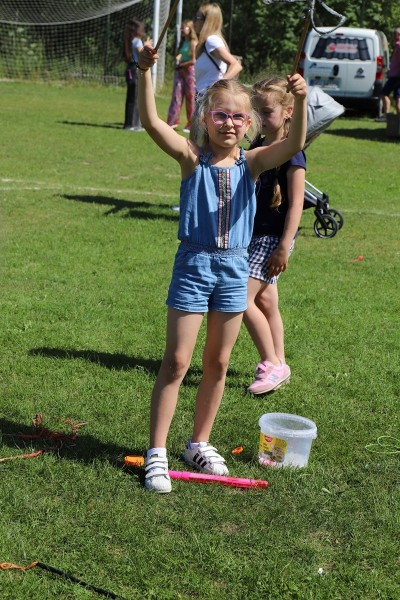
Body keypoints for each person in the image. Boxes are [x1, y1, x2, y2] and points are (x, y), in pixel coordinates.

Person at [137, 44, 307, 493]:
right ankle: (157, 452)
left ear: (249, 124)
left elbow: (294, 144)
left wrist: (302, 99)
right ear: (205, 118)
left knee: (218, 362)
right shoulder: (191, 158)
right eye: (220, 115)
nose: (229, 123)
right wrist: (144, 73)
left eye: (238, 117)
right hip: (193, 265)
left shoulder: (254, 163)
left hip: (234, 268)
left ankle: (199, 443)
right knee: (177, 361)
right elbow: (152, 122)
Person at [244, 77, 306, 395]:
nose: (260, 117)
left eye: (266, 111)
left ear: (287, 112)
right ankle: (280, 363)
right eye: (256, 111)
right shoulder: (257, 145)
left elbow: (297, 204)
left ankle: (271, 363)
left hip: (272, 239)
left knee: (239, 298)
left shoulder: (292, 154)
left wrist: (284, 246)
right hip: (254, 235)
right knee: (266, 301)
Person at [193, 3, 242, 96]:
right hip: (202, 96)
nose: (194, 21)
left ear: (206, 21)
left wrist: (219, 86)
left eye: (197, 18)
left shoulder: (211, 41)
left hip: (209, 97)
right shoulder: (208, 42)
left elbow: (236, 65)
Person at [167, 20, 198, 133]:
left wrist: (181, 64)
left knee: (190, 97)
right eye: (182, 28)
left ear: (190, 29)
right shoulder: (183, 42)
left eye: (185, 27)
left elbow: (193, 60)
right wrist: (178, 58)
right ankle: (172, 122)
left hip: (189, 71)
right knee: (177, 95)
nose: (182, 30)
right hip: (180, 70)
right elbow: (182, 54)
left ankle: (191, 124)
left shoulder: (194, 42)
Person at [122, 18, 146, 131]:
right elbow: (142, 54)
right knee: (136, 98)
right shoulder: (137, 41)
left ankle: (128, 124)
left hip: (129, 69)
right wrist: (147, 46)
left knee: (130, 98)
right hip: (135, 70)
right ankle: (135, 124)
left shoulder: (130, 40)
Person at [376, 27, 400, 122]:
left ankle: (387, 115)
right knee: (397, 97)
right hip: (395, 75)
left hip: (396, 76)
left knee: (384, 93)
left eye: (394, 34)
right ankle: (396, 118)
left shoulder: (398, 46)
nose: (393, 36)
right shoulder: (397, 46)